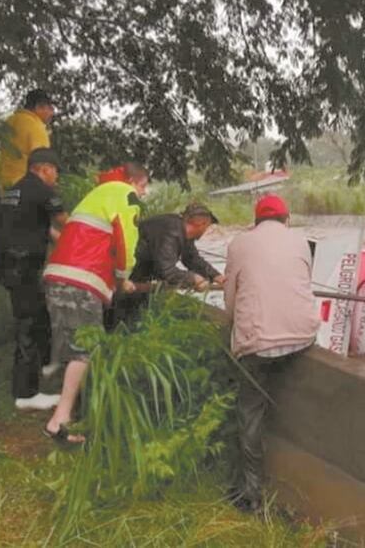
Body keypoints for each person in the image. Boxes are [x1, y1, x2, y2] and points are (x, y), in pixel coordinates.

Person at [40, 162, 148, 444]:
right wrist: (124, 277)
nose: (143, 194)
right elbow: (127, 238)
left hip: (57, 276)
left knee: (74, 349)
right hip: (83, 279)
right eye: (144, 186)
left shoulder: (96, 195)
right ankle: (60, 422)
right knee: (85, 351)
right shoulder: (126, 195)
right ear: (135, 182)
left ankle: (68, 415)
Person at [223, 194, 319, 512]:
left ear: (256, 221)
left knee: (250, 410)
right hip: (303, 337)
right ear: (286, 218)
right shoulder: (302, 241)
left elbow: (231, 303)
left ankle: (250, 494)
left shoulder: (240, 243)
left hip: (259, 344)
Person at [0, 147, 68, 410]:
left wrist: (62, 244)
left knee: (38, 318)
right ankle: (25, 394)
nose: (55, 178)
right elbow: (65, 223)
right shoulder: (42, 190)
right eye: (55, 171)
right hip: (22, 265)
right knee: (29, 325)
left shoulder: (16, 190)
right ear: (44, 168)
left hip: (6, 263)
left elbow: (40, 226)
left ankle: (45, 367)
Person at [108, 203, 225, 329]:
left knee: (135, 316)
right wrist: (194, 279)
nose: (206, 230)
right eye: (207, 226)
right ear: (201, 224)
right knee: (121, 319)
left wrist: (216, 276)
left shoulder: (181, 230)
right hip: (127, 277)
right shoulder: (172, 232)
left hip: (139, 278)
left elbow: (191, 259)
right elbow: (167, 271)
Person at [0, 89, 54, 193]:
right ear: (38, 107)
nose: (52, 113)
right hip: (27, 191)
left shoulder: (10, 121)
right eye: (50, 108)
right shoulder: (36, 126)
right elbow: (42, 165)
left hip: (4, 188)